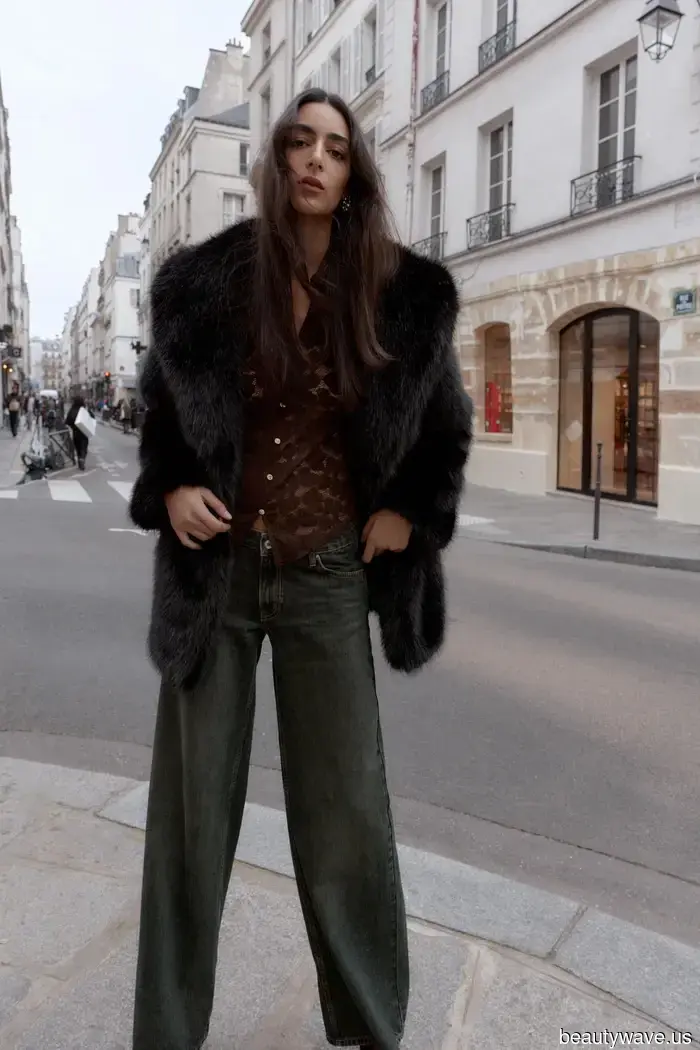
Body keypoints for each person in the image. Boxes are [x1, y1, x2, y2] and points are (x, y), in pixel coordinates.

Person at [129, 88, 472, 1050]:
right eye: (299, 142)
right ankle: (166, 1035)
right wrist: (172, 486)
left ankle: (369, 1025)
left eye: (336, 147)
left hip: (329, 573)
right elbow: (162, 412)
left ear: (354, 172)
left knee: (347, 814)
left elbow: (444, 427)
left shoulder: (399, 292)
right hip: (220, 573)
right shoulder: (206, 283)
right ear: (276, 161)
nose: (317, 158)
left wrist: (409, 512)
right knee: (191, 819)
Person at [65, 396, 91, 470]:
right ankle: (82, 459)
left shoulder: (72, 410)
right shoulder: (84, 410)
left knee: (78, 447)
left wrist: (73, 426)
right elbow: (91, 418)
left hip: (75, 432)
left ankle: (80, 462)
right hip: (84, 432)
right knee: (84, 447)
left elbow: (67, 421)